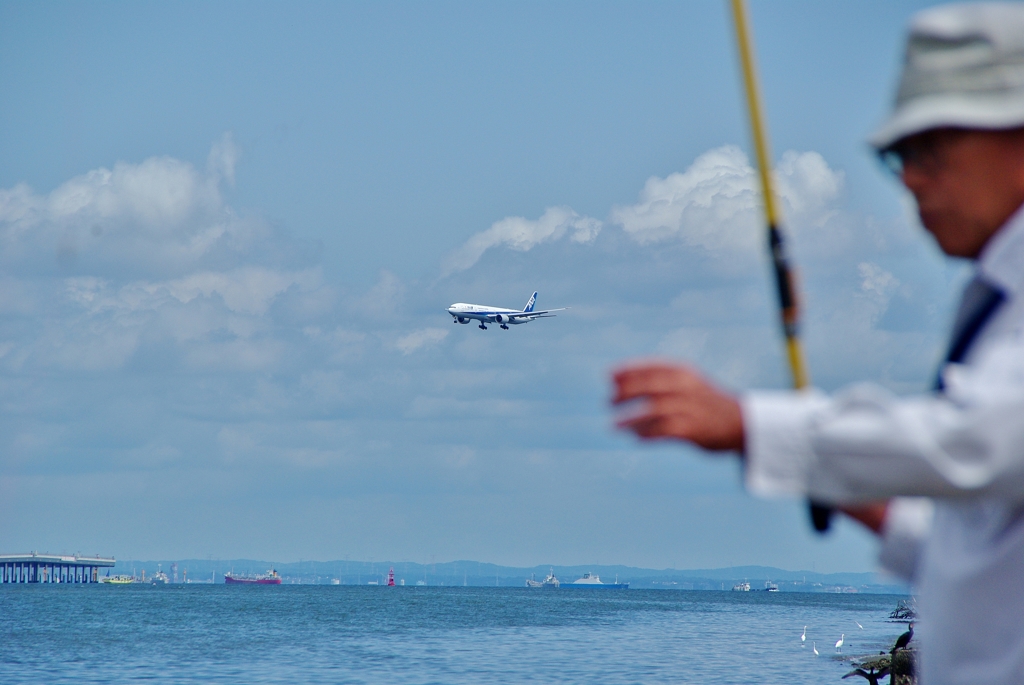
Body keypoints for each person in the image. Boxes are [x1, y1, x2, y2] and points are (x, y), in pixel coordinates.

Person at [611, 4, 1024, 684]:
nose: (909, 179)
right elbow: (985, 556)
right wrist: (866, 499)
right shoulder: (994, 296)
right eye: (900, 156)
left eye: (930, 149)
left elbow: (977, 440)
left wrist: (750, 425)